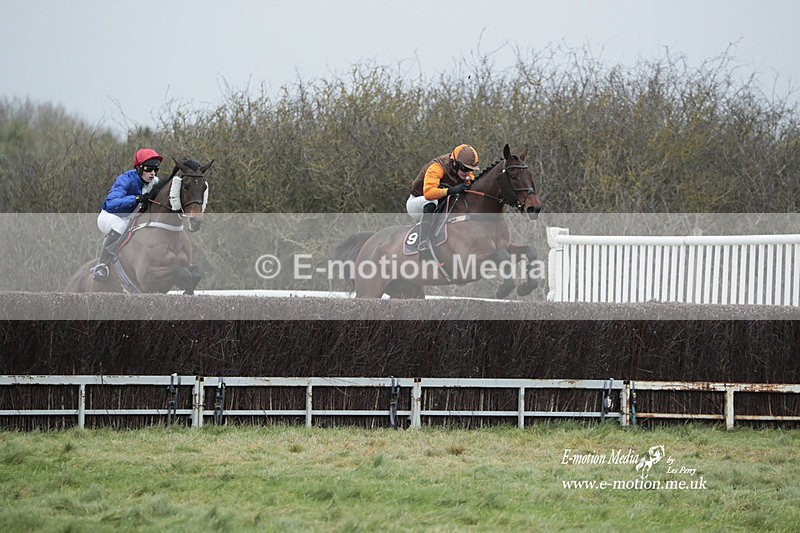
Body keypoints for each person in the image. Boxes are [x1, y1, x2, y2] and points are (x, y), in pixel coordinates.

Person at [92, 148, 163, 281]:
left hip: (131, 218)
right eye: (149, 169)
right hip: (111, 216)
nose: (153, 173)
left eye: (156, 169)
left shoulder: (155, 182)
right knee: (120, 226)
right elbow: (111, 203)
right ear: (139, 168)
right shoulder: (125, 179)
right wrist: (136, 199)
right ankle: (102, 265)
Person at [406, 144, 479, 255]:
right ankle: (423, 244)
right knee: (432, 202)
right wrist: (451, 190)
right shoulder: (437, 167)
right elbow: (429, 193)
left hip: (440, 207)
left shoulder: (467, 175)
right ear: (455, 163)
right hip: (417, 203)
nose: (467, 173)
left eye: (470, 169)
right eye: (464, 169)